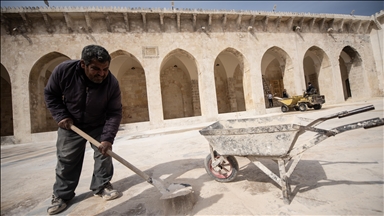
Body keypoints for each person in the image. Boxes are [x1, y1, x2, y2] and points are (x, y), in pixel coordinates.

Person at [44, 45, 122, 215]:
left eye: (105, 69)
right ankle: (62, 195)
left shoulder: (111, 83)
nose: (101, 73)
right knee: (66, 159)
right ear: (83, 64)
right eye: (95, 68)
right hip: (70, 123)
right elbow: (51, 94)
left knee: (104, 154)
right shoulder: (64, 71)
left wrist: (107, 138)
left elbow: (114, 112)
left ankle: (101, 186)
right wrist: (61, 116)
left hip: (99, 123)